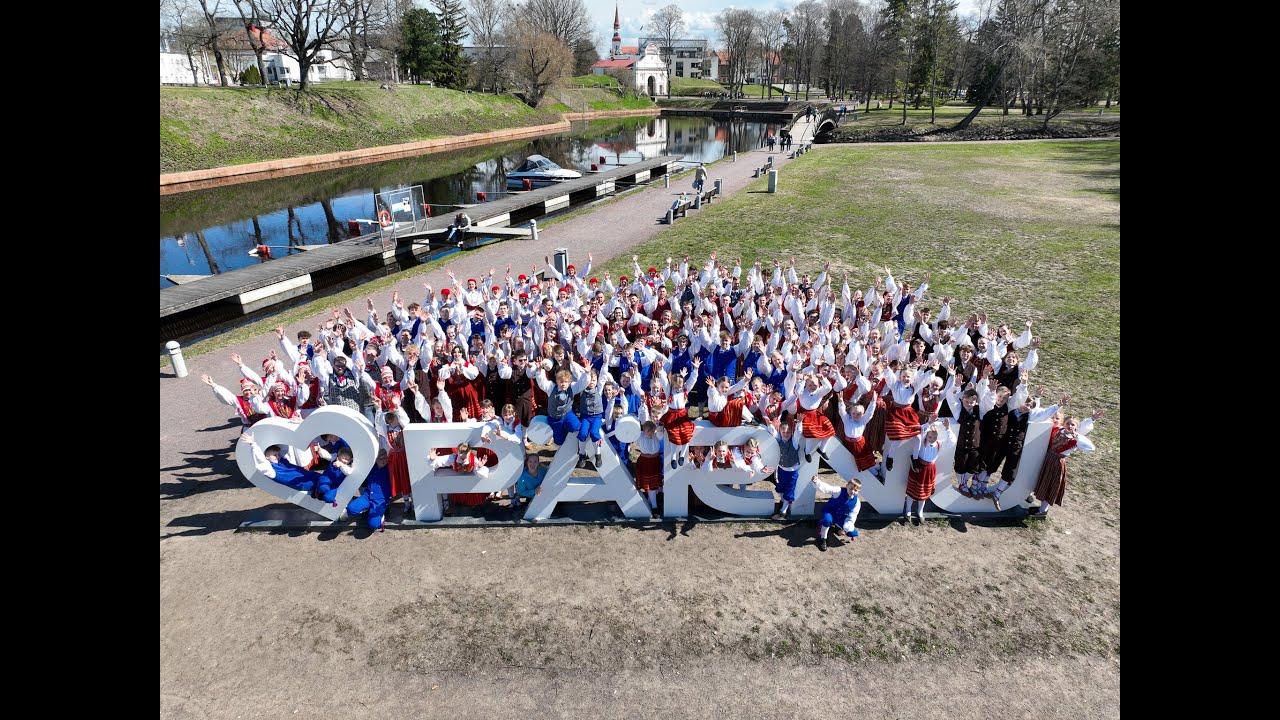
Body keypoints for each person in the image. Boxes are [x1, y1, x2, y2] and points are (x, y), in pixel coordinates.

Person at [1030, 409, 1104, 517]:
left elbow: (1091, 448)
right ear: (1064, 423)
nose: (1070, 426)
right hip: (1048, 460)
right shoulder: (1059, 430)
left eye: (1072, 424)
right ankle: (1040, 508)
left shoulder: (1076, 439)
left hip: (1057, 463)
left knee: (1051, 485)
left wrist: (1089, 422)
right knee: (1044, 482)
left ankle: (1043, 510)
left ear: (1076, 427)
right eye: (1068, 423)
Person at [903, 419, 956, 525]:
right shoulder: (922, 442)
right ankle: (908, 510)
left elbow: (952, 441)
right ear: (926, 436)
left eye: (934, 437)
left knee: (923, 493)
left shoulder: (939, 444)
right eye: (930, 437)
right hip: (918, 468)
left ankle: (920, 511)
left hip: (929, 470)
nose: (932, 439)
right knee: (913, 491)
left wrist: (947, 428)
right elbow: (921, 431)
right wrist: (929, 423)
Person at [242, 431, 323, 492]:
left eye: (278, 454)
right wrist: (253, 444)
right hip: (302, 483)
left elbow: (284, 448)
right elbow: (261, 461)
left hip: (306, 475)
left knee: (324, 478)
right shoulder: (271, 470)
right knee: (323, 485)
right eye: (274, 455)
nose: (277, 456)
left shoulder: (281, 460)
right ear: (266, 457)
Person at [339, 448, 392, 530]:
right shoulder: (371, 467)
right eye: (380, 459)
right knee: (351, 509)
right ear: (376, 460)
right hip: (367, 495)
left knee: (373, 525)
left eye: (385, 458)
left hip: (380, 500)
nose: (383, 460)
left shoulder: (390, 468)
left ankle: (381, 514)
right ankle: (366, 508)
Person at [811, 477, 862, 552]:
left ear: (858, 491)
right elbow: (828, 488)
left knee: (852, 532)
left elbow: (852, 516)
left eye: (855, 490)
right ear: (847, 486)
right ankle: (822, 538)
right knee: (827, 520)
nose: (853, 491)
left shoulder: (857, 502)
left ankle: (837, 529)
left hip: (841, 516)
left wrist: (845, 529)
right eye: (851, 488)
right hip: (830, 511)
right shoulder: (839, 491)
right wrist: (817, 482)